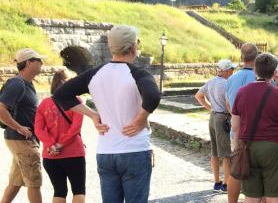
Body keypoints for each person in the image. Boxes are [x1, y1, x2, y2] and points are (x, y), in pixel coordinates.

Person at [54, 25, 159, 203]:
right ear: (133, 47)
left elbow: (60, 95)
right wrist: (141, 118)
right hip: (134, 149)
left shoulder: (94, 74)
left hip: (106, 151)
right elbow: (153, 96)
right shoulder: (138, 74)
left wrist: (93, 115)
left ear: (111, 48)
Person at [232, 53, 278, 203]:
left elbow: (235, 126)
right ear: (274, 73)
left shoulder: (241, 92)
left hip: (248, 147)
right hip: (275, 148)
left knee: (251, 197)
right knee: (274, 197)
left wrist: (236, 147)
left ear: (255, 70)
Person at [0, 48, 45, 203]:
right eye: (39, 60)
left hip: (21, 139)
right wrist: (19, 127)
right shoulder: (17, 83)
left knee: (16, 182)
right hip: (21, 139)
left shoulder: (26, 83)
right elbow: (0, 108)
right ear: (28, 62)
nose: (42, 63)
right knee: (34, 181)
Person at [34, 71, 86, 203]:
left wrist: (51, 144)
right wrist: (61, 143)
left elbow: (38, 129)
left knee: (59, 191)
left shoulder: (44, 103)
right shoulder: (77, 102)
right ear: (66, 83)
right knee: (78, 190)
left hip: (51, 155)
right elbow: (75, 128)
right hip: (73, 153)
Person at [195, 59, 235, 193]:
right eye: (232, 69)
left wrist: (210, 108)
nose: (233, 72)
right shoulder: (227, 83)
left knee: (215, 152)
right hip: (223, 117)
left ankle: (216, 182)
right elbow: (229, 104)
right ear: (227, 70)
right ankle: (226, 185)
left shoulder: (211, 81)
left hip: (213, 117)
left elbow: (199, 96)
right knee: (226, 153)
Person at [225, 43, 258, 203]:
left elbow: (228, 105)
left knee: (236, 171)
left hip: (236, 130)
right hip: (257, 132)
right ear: (257, 58)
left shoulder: (231, 79)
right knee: (259, 172)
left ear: (241, 58)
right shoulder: (260, 78)